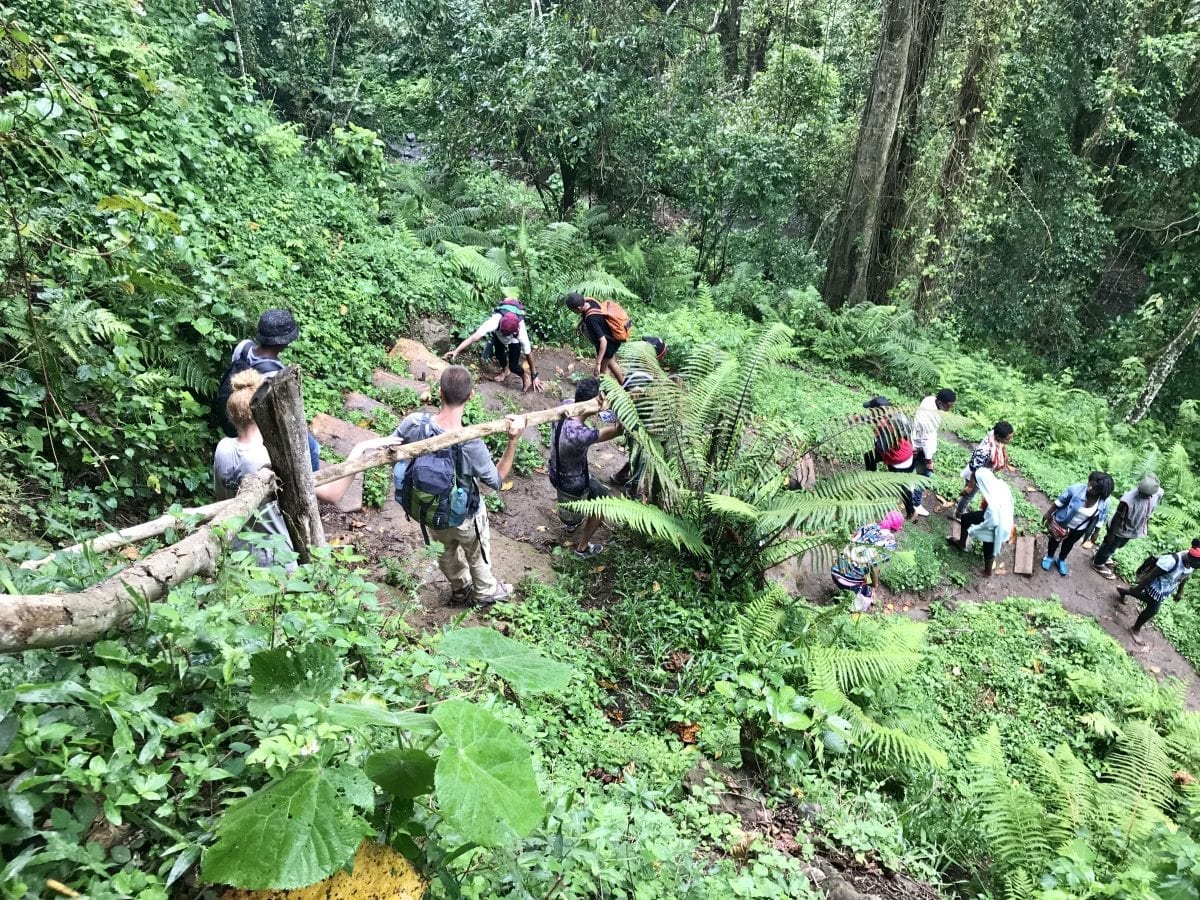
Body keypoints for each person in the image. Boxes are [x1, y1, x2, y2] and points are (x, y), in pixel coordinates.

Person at [214, 370, 387, 568]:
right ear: (266, 411)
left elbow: (222, 501)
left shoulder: (223, 448)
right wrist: (360, 450)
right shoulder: (271, 458)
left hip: (236, 556)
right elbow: (332, 493)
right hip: (277, 560)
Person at [392, 366, 524, 606]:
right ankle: (485, 591)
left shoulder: (415, 423)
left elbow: (392, 447)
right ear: (471, 395)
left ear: (439, 393)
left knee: (443, 550)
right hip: (465, 515)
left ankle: (460, 587)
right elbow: (496, 481)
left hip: (429, 510)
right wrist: (513, 441)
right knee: (476, 550)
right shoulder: (470, 442)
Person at [214, 308, 321, 471]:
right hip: (253, 424)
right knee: (311, 446)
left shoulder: (243, 347)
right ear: (284, 342)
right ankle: (312, 483)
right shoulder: (275, 375)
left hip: (233, 414)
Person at [549, 378, 623, 557]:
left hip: (554, 470)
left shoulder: (565, 406)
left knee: (570, 505)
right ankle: (582, 548)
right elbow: (616, 431)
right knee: (604, 502)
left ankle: (571, 522)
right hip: (574, 482)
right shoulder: (581, 435)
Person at [443, 298, 545, 393]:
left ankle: (524, 376)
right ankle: (505, 371)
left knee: (514, 366)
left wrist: (534, 375)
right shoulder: (494, 321)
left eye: (506, 334)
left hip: (514, 340)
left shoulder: (521, 331)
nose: (505, 336)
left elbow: (528, 353)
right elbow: (473, 338)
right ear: (500, 324)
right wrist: (456, 350)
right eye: (503, 333)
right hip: (498, 334)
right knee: (499, 353)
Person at [1117, 539, 1200, 645]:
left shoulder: (1192, 563)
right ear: (1192, 559)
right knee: (1153, 609)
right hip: (1154, 585)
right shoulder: (1172, 561)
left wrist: (1180, 591)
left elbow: (1185, 576)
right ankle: (1135, 629)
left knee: (1148, 599)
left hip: (1165, 588)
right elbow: (1151, 575)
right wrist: (1139, 587)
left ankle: (1124, 591)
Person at [1091, 474, 1164, 580]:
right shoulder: (1128, 501)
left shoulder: (1158, 493)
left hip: (1132, 529)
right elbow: (1117, 518)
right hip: (1119, 530)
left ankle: (1101, 554)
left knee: (1117, 546)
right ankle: (1098, 563)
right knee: (1110, 545)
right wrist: (1111, 536)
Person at [1041, 470, 1115, 576]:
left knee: (1069, 544)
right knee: (1054, 540)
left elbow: (1101, 517)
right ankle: (1049, 557)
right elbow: (1061, 501)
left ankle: (1061, 560)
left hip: (1080, 528)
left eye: (1094, 488)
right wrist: (1048, 513)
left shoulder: (1105, 502)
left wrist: (1096, 532)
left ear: (1101, 492)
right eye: (1090, 483)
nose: (1089, 487)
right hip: (1062, 522)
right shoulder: (1076, 489)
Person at [831, 511, 904, 612]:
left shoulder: (869, 526)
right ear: (897, 529)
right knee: (866, 595)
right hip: (848, 580)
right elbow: (874, 570)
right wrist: (874, 587)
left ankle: (843, 593)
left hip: (836, 568)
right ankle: (851, 610)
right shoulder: (889, 544)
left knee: (865, 577)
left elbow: (852, 539)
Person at [946, 468, 1014, 577]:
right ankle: (962, 543)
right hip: (1003, 518)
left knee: (988, 542)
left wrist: (976, 529)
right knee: (967, 518)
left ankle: (987, 572)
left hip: (996, 523)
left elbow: (992, 521)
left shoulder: (993, 503)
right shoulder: (1000, 484)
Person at [863, 397, 915, 517]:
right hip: (901, 453)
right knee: (869, 457)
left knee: (902, 486)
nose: (869, 412)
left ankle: (911, 511)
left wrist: (878, 435)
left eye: (871, 410)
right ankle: (870, 481)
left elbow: (881, 447)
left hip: (898, 460)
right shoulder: (890, 416)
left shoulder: (885, 427)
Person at [954, 421, 1014, 519]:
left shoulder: (994, 438)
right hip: (975, 476)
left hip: (982, 472)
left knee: (969, 495)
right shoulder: (985, 450)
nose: (1010, 440)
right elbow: (975, 467)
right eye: (1008, 438)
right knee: (969, 494)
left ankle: (962, 507)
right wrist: (970, 485)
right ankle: (959, 514)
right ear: (998, 436)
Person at [910, 388, 956, 517]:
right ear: (941, 402)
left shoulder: (929, 400)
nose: (950, 408)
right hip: (921, 449)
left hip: (914, 441)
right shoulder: (930, 418)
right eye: (949, 405)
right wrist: (929, 461)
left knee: (912, 469)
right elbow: (926, 440)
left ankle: (909, 490)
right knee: (925, 476)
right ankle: (916, 504)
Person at [565, 292, 628, 383]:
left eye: (573, 310)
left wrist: (597, 363)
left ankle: (606, 392)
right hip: (613, 338)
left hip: (608, 344)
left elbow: (603, 341)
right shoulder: (589, 301)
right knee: (611, 363)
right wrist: (579, 324)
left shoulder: (591, 320)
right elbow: (589, 312)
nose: (573, 312)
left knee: (602, 371)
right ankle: (625, 385)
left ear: (578, 308)